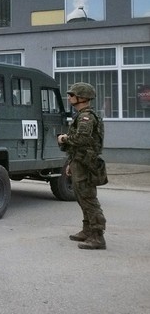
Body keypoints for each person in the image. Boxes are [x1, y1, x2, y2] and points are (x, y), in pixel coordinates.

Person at [57, 82, 106, 250]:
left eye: (72, 95)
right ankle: (87, 230)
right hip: (79, 161)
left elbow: (82, 139)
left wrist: (64, 138)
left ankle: (97, 236)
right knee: (81, 197)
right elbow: (79, 144)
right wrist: (71, 163)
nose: (69, 97)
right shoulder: (81, 115)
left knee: (88, 198)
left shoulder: (86, 117)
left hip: (86, 163)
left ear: (82, 98)